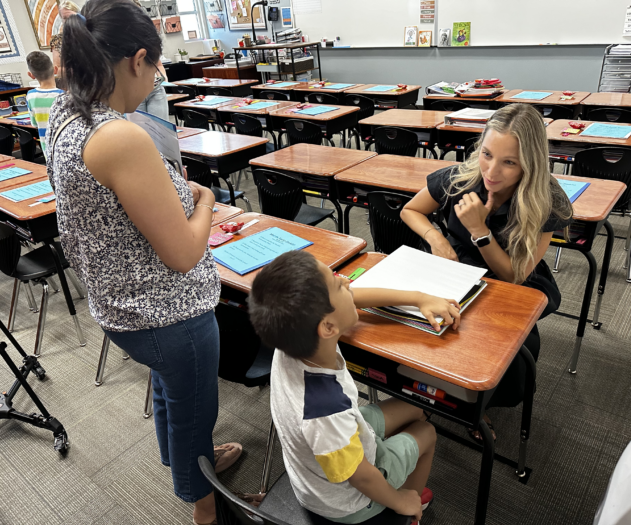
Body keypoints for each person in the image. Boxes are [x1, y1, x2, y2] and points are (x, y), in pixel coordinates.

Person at [44, 2, 240, 524]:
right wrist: (202, 204)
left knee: (172, 392)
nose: (155, 78)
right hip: (168, 314)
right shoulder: (119, 136)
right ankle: (205, 507)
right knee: (196, 409)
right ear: (137, 61)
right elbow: (182, 254)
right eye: (155, 67)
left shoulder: (66, 115)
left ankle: (183, 463)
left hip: (123, 305)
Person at [248, 250, 463, 524]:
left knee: (415, 406)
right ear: (327, 327)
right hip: (348, 503)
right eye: (339, 284)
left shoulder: (291, 339)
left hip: (321, 464)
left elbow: (350, 298)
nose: (348, 282)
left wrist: (419, 298)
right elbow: (360, 476)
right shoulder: (324, 410)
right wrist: (399, 501)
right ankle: (411, 505)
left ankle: (401, 486)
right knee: (427, 431)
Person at [401, 103, 573, 440]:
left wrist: (481, 232)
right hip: (452, 265)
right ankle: (428, 393)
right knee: (420, 325)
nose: (492, 171)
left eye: (509, 162)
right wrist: (436, 238)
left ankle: (481, 407)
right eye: (487, 154)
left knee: (508, 355)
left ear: (531, 163)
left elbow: (514, 276)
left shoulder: (546, 200)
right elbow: (411, 210)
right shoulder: (461, 177)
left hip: (505, 279)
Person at [25, 51, 63, 154]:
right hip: (66, 147)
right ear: (55, 69)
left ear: (31, 75)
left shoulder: (30, 96)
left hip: (47, 148)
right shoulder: (63, 96)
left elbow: (34, 123)